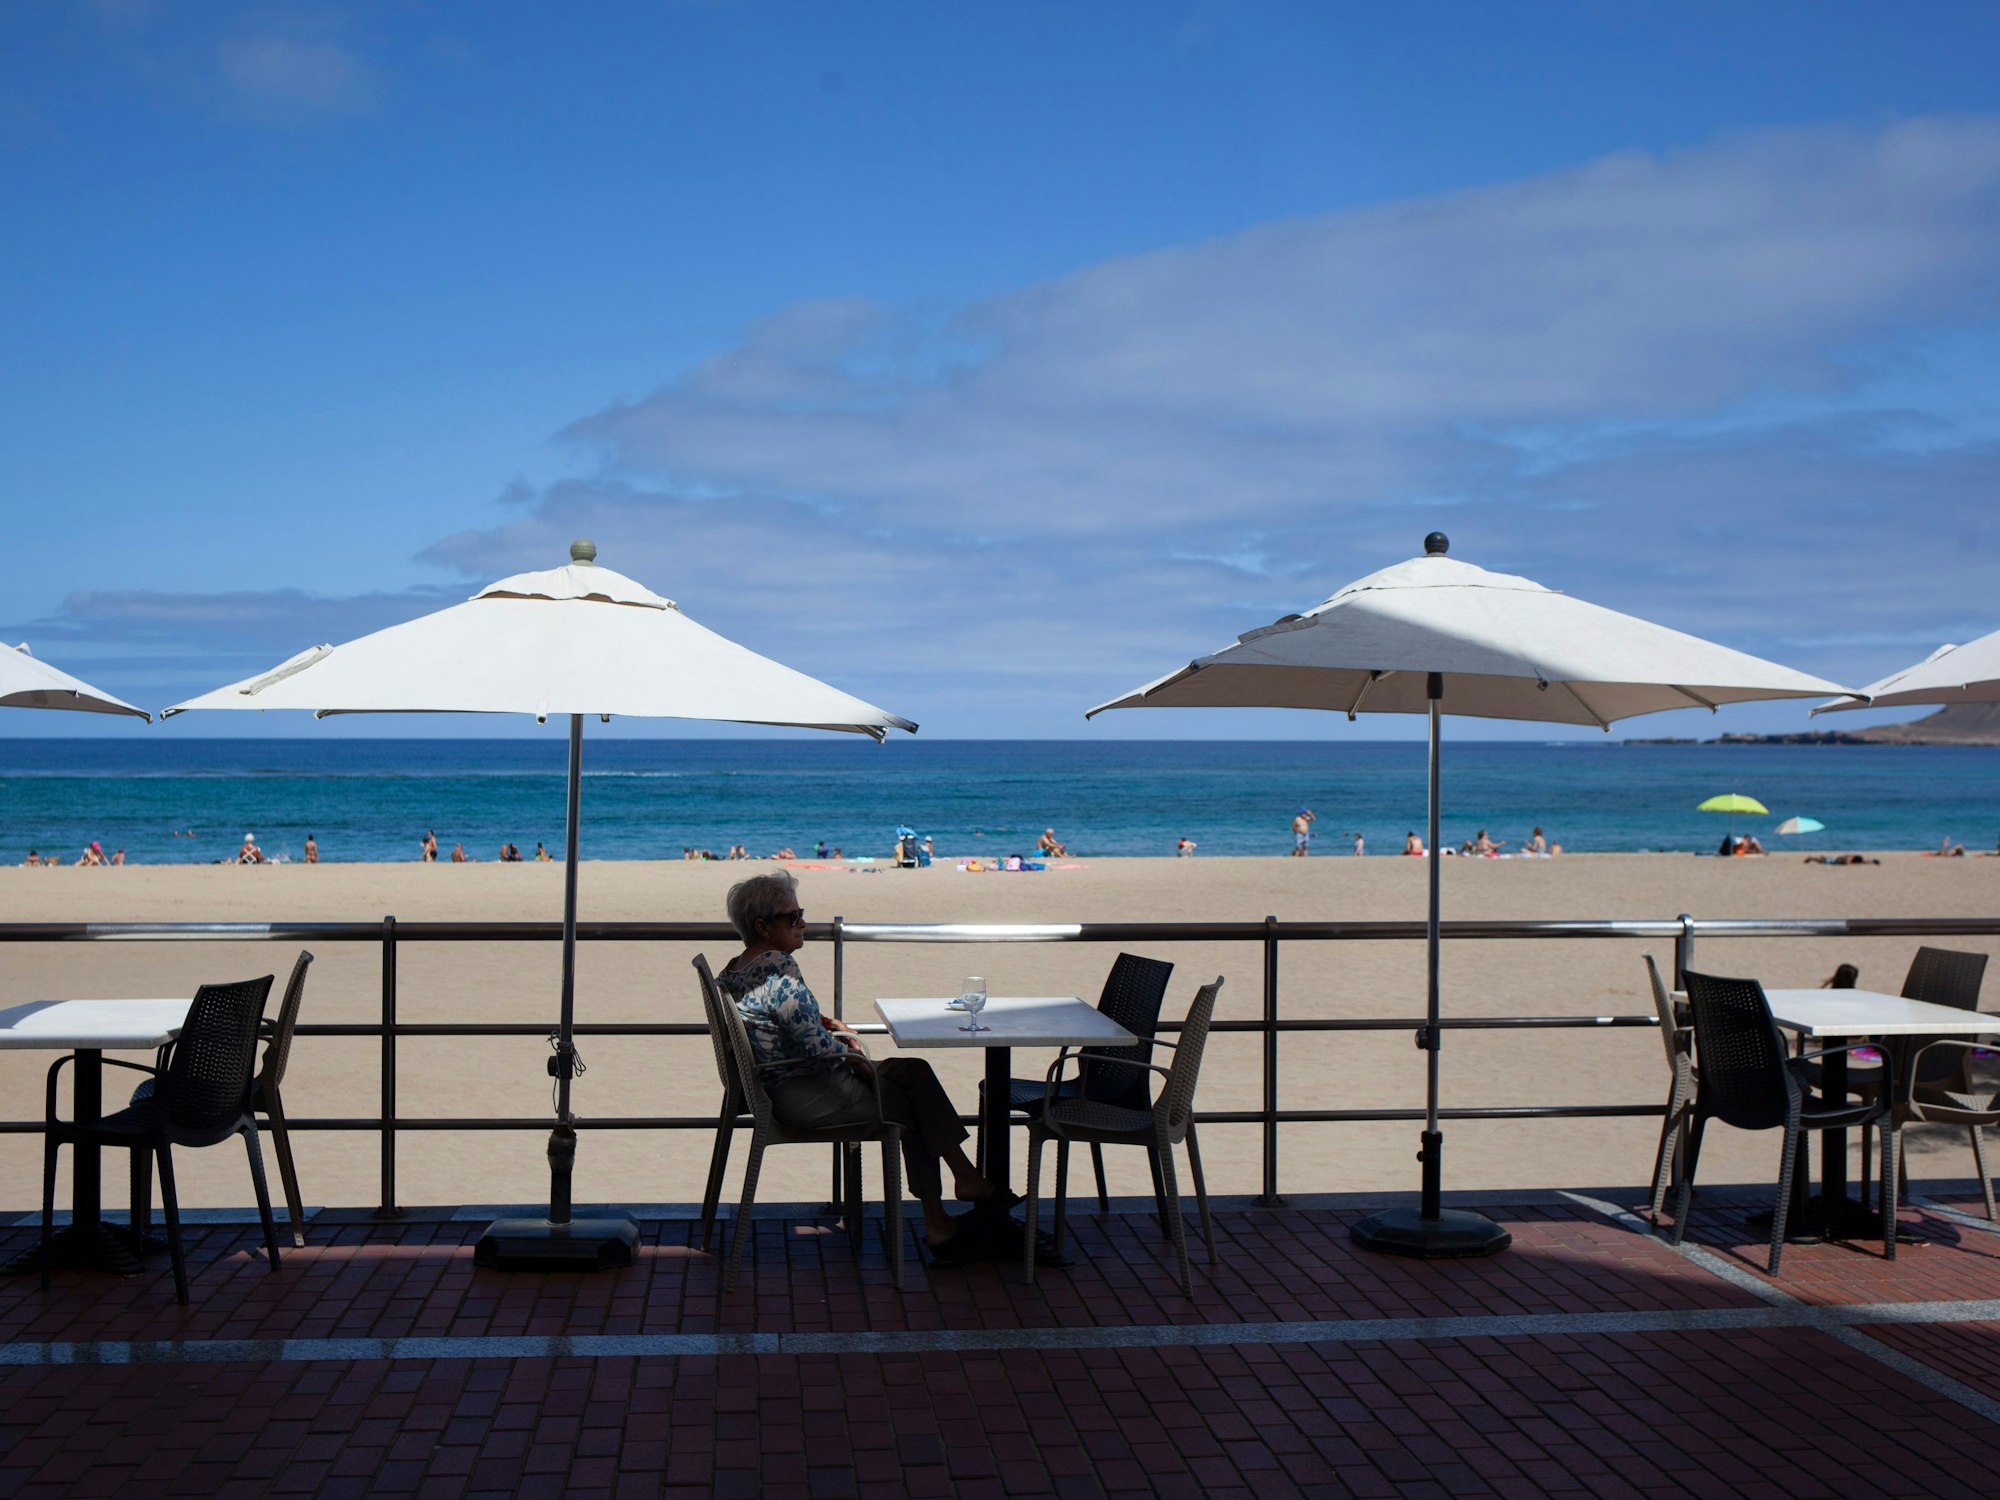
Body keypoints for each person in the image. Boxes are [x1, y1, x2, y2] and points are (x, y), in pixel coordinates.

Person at [716, 872, 1015, 1260]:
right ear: (762, 926)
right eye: (793, 917)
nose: (803, 923)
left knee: (914, 1071)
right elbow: (812, 1048)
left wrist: (829, 1024)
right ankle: (944, 1215)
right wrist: (853, 1052)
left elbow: (775, 1019)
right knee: (909, 1106)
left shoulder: (739, 968)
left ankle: (965, 1179)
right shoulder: (778, 966)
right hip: (809, 1093)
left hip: (784, 1087)